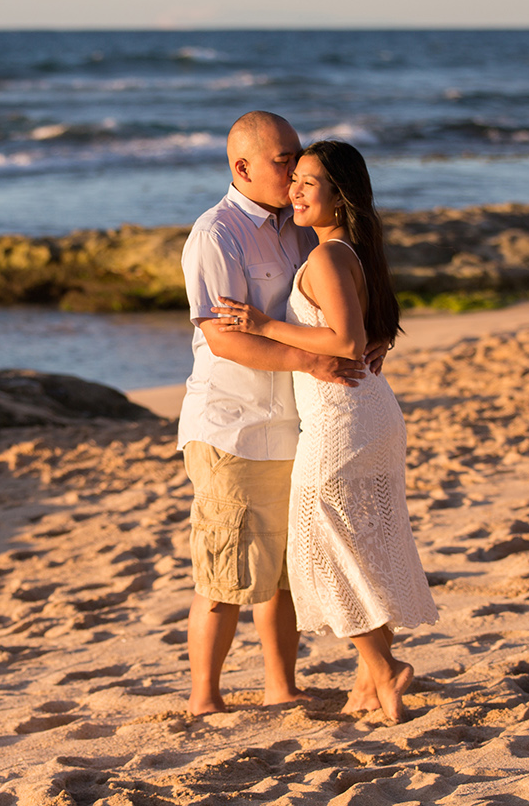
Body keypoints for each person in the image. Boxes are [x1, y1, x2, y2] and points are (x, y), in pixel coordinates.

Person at [212, 139, 438, 723]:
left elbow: (343, 342)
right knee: (359, 542)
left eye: (309, 183)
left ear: (341, 196)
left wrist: (264, 324)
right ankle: (369, 680)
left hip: (343, 421)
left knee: (331, 548)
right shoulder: (347, 253)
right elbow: (368, 331)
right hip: (359, 414)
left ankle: (383, 669)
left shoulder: (330, 258)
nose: (294, 190)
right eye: (295, 180)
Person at [178, 112, 384, 716]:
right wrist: (312, 363)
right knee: (224, 571)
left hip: (296, 422)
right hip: (231, 426)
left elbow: (341, 301)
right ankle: (204, 699)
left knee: (285, 570)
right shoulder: (215, 235)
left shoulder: (298, 227)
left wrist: (375, 339)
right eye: (283, 159)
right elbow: (225, 339)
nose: (295, 170)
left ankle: (280, 685)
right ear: (241, 167)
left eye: (298, 159)